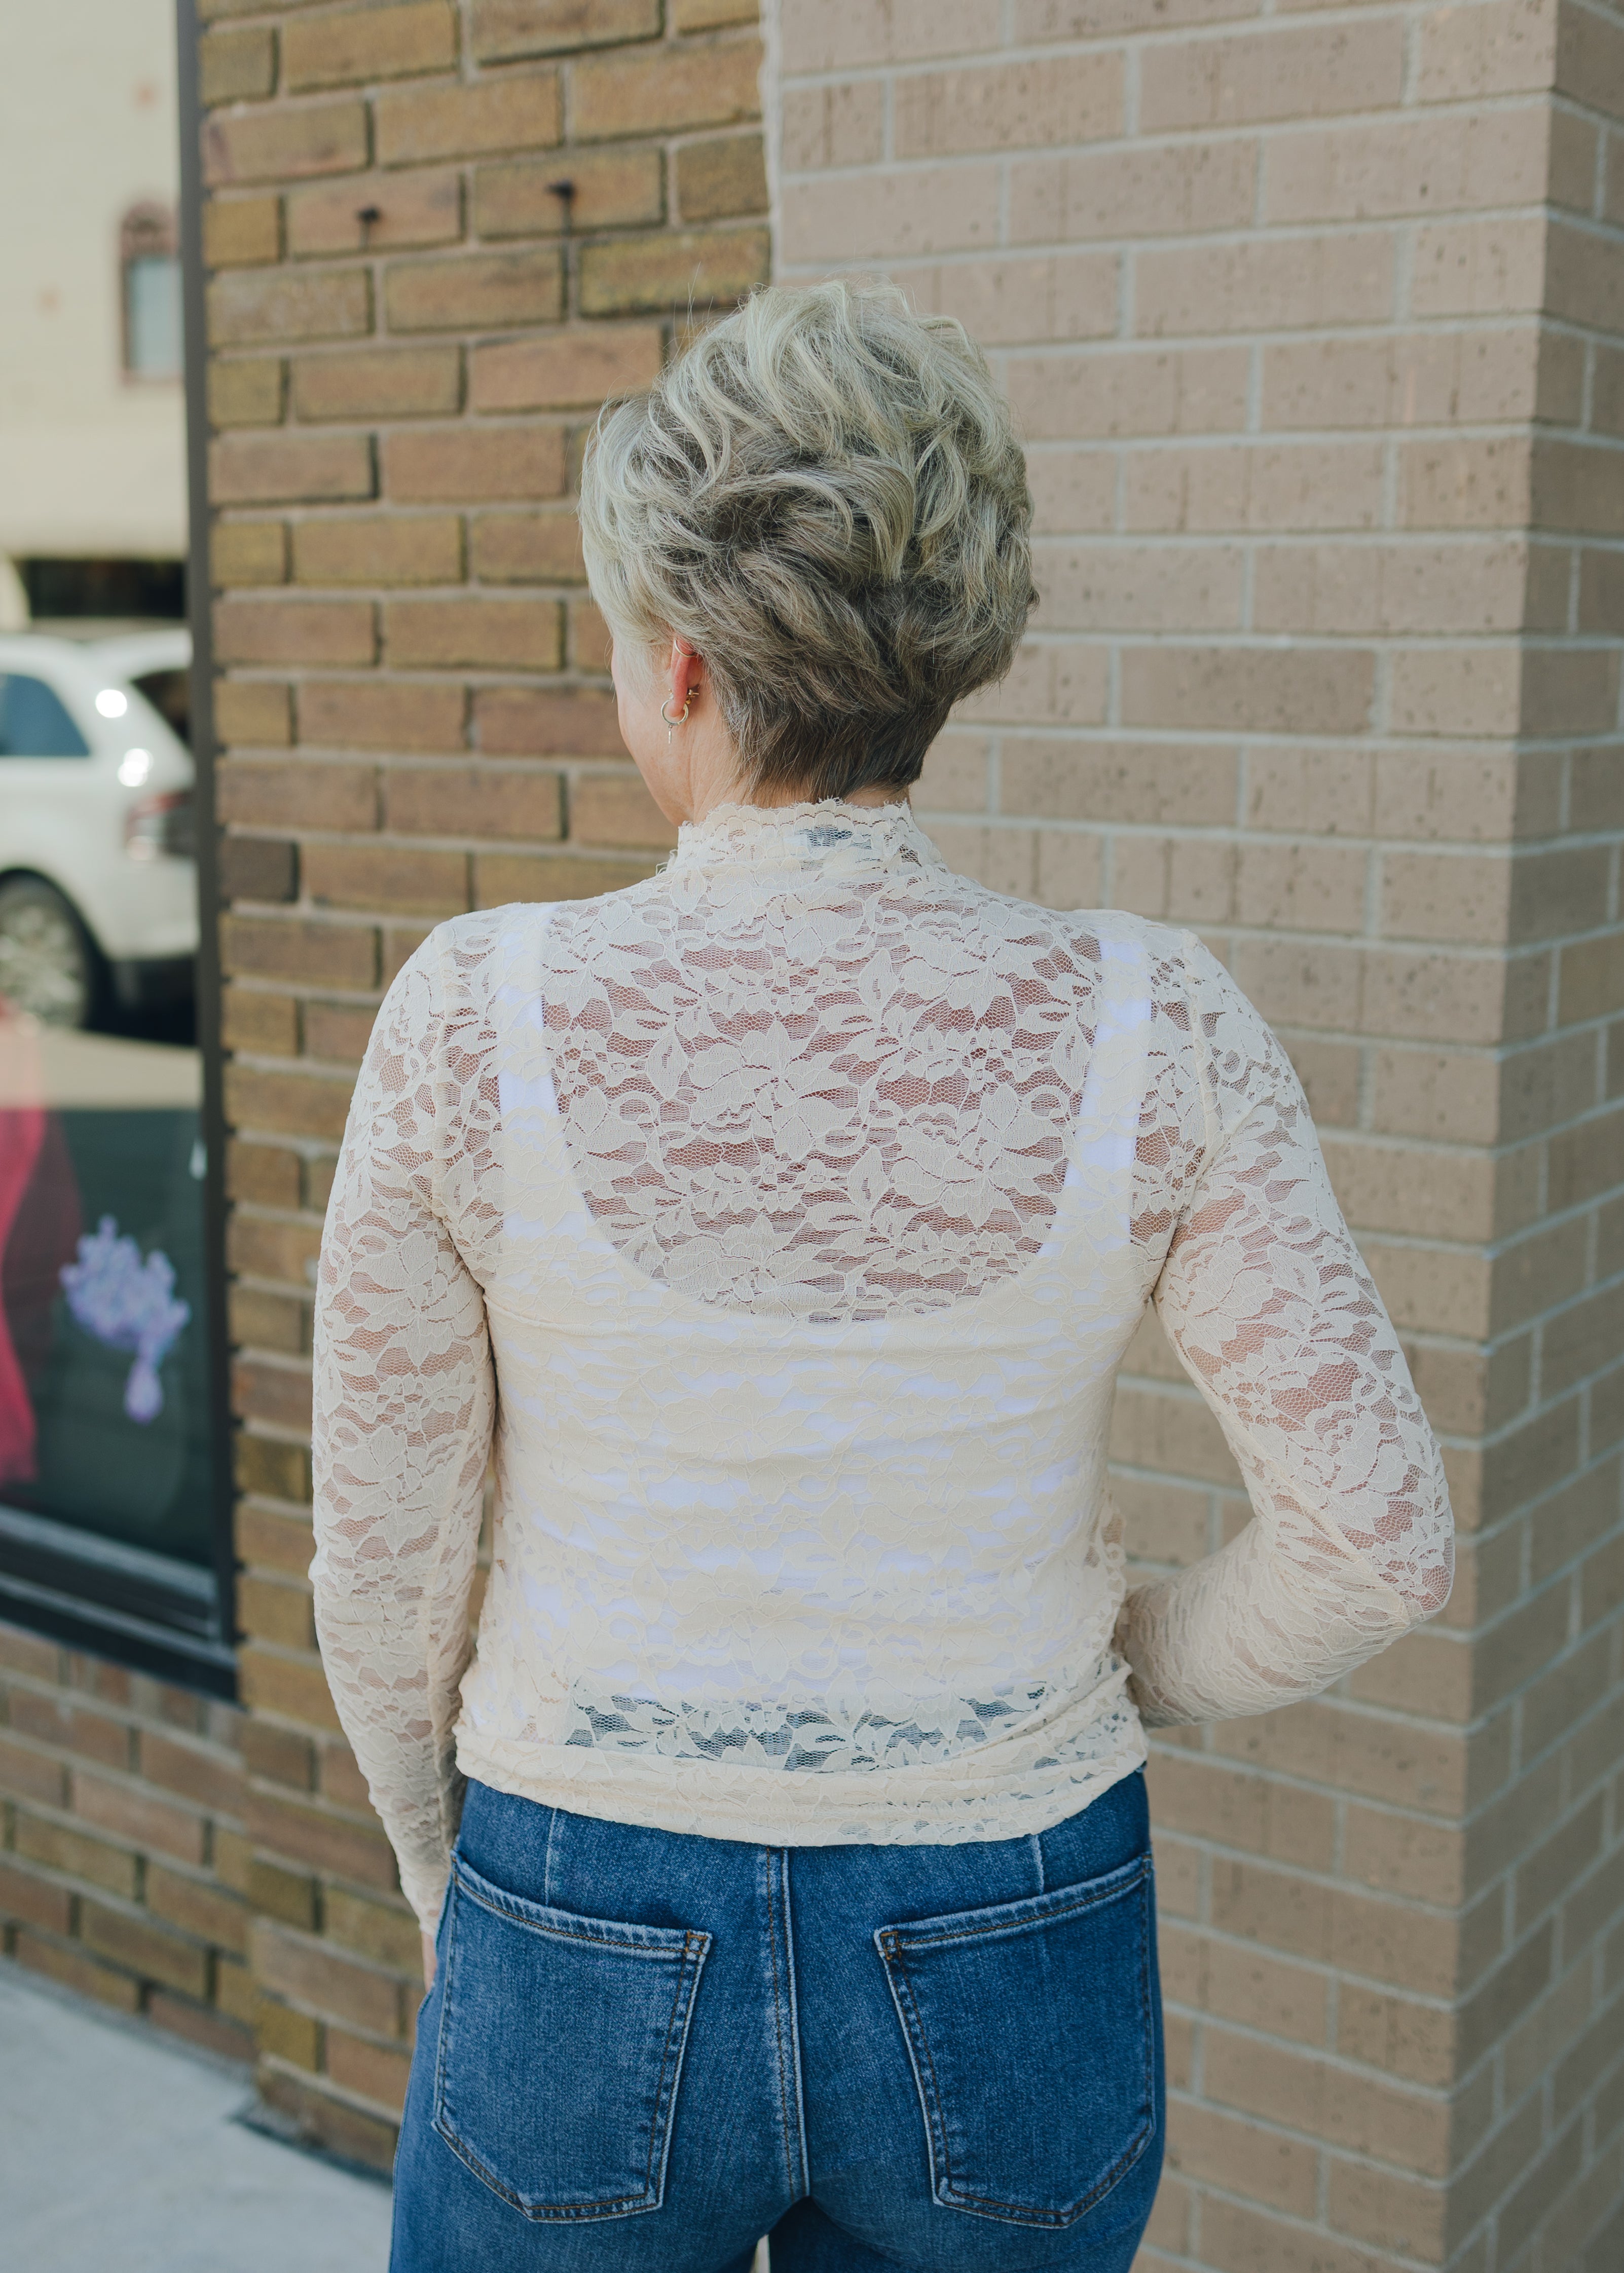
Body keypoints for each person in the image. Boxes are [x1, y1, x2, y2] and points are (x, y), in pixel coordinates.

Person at [311, 280, 1453, 2273]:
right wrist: (1126, 1673)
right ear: (941, 653)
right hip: (1020, 1905)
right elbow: (1377, 1541)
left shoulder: (470, 1021)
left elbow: (387, 1568)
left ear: (675, 658)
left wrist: (446, 1872)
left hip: (582, 1898)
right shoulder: (1154, 1024)